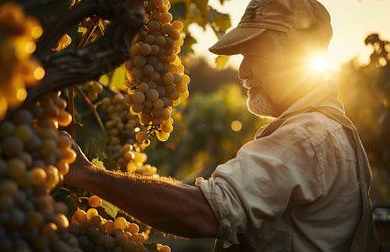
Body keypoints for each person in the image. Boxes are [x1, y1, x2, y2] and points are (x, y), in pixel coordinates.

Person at [63, 0, 379, 250]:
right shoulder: (333, 129)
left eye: (253, 55)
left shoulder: (307, 137)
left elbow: (205, 213)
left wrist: (87, 174)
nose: (242, 71)